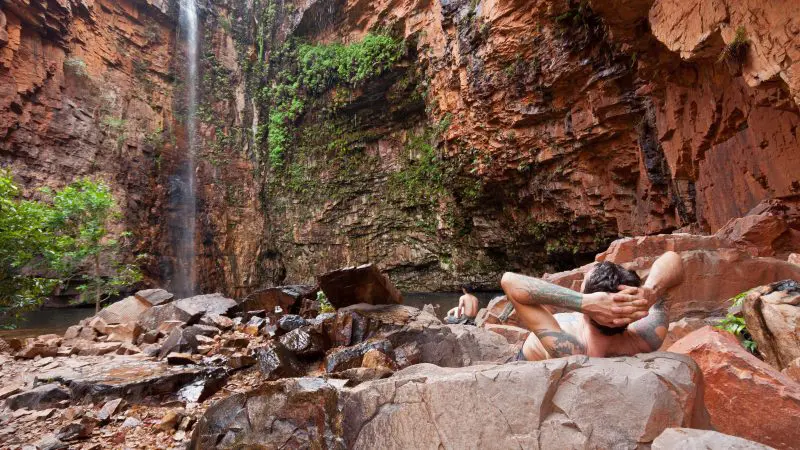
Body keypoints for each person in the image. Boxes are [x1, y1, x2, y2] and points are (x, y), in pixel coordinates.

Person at [501, 251, 684, 361]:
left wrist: (582, 302)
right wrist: (650, 291)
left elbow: (509, 281)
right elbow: (674, 259)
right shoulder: (646, 338)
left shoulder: (571, 348)